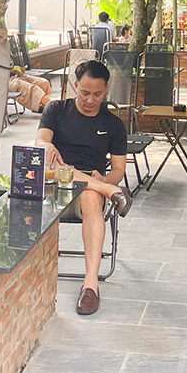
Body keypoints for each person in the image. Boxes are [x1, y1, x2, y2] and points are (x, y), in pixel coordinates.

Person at [38, 60, 132, 315]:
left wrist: (105, 181)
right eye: (85, 93)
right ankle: (113, 194)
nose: (91, 100)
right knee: (55, 165)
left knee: (91, 197)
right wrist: (48, 145)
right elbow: (40, 142)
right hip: (53, 186)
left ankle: (91, 285)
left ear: (106, 89)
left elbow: (119, 171)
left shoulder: (113, 125)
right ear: (75, 85)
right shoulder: (56, 110)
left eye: (98, 94)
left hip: (89, 189)